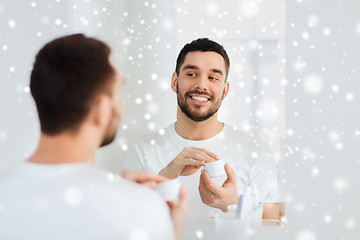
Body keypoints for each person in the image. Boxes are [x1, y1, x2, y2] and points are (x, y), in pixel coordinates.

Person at [0, 34, 188, 240]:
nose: (121, 104)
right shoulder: (141, 210)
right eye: (117, 92)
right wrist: (169, 230)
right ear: (101, 109)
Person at [124, 38, 281, 239]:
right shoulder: (143, 148)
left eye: (213, 78)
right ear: (175, 81)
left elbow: (276, 223)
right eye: (191, 74)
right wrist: (165, 178)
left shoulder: (256, 151)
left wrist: (233, 207)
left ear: (225, 90)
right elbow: (128, 223)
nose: (201, 85)